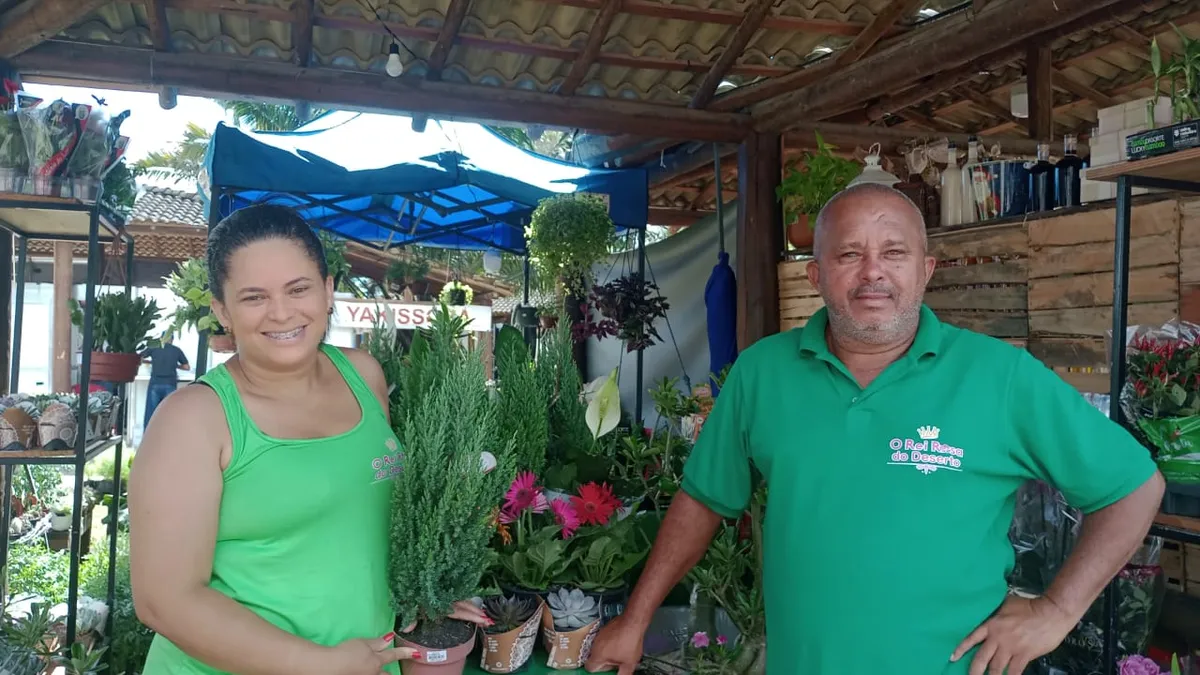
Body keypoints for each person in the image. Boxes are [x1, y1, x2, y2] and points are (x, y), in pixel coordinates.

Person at [585, 183, 1165, 675]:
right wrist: (635, 619)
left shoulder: (1000, 376)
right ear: (815, 274)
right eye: (848, 255)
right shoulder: (762, 372)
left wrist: (1057, 612)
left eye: (894, 252)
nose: (873, 274)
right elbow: (703, 500)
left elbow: (1134, 487)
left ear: (926, 270)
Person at [128, 204, 491, 675]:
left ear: (327, 289)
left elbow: (363, 522)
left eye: (298, 289)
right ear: (222, 310)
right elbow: (164, 600)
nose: (281, 313)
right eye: (254, 297)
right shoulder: (194, 419)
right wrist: (318, 664)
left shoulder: (363, 375)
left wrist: (431, 586)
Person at [140, 333, 190, 431]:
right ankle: (166, 436)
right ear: (172, 339)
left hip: (155, 383)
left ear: (161, 339)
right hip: (170, 384)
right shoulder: (176, 350)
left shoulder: (154, 347)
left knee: (151, 414)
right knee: (168, 412)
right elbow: (186, 367)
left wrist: (151, 362)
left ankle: (148, 437)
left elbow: (139, 358)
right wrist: (175, 365)